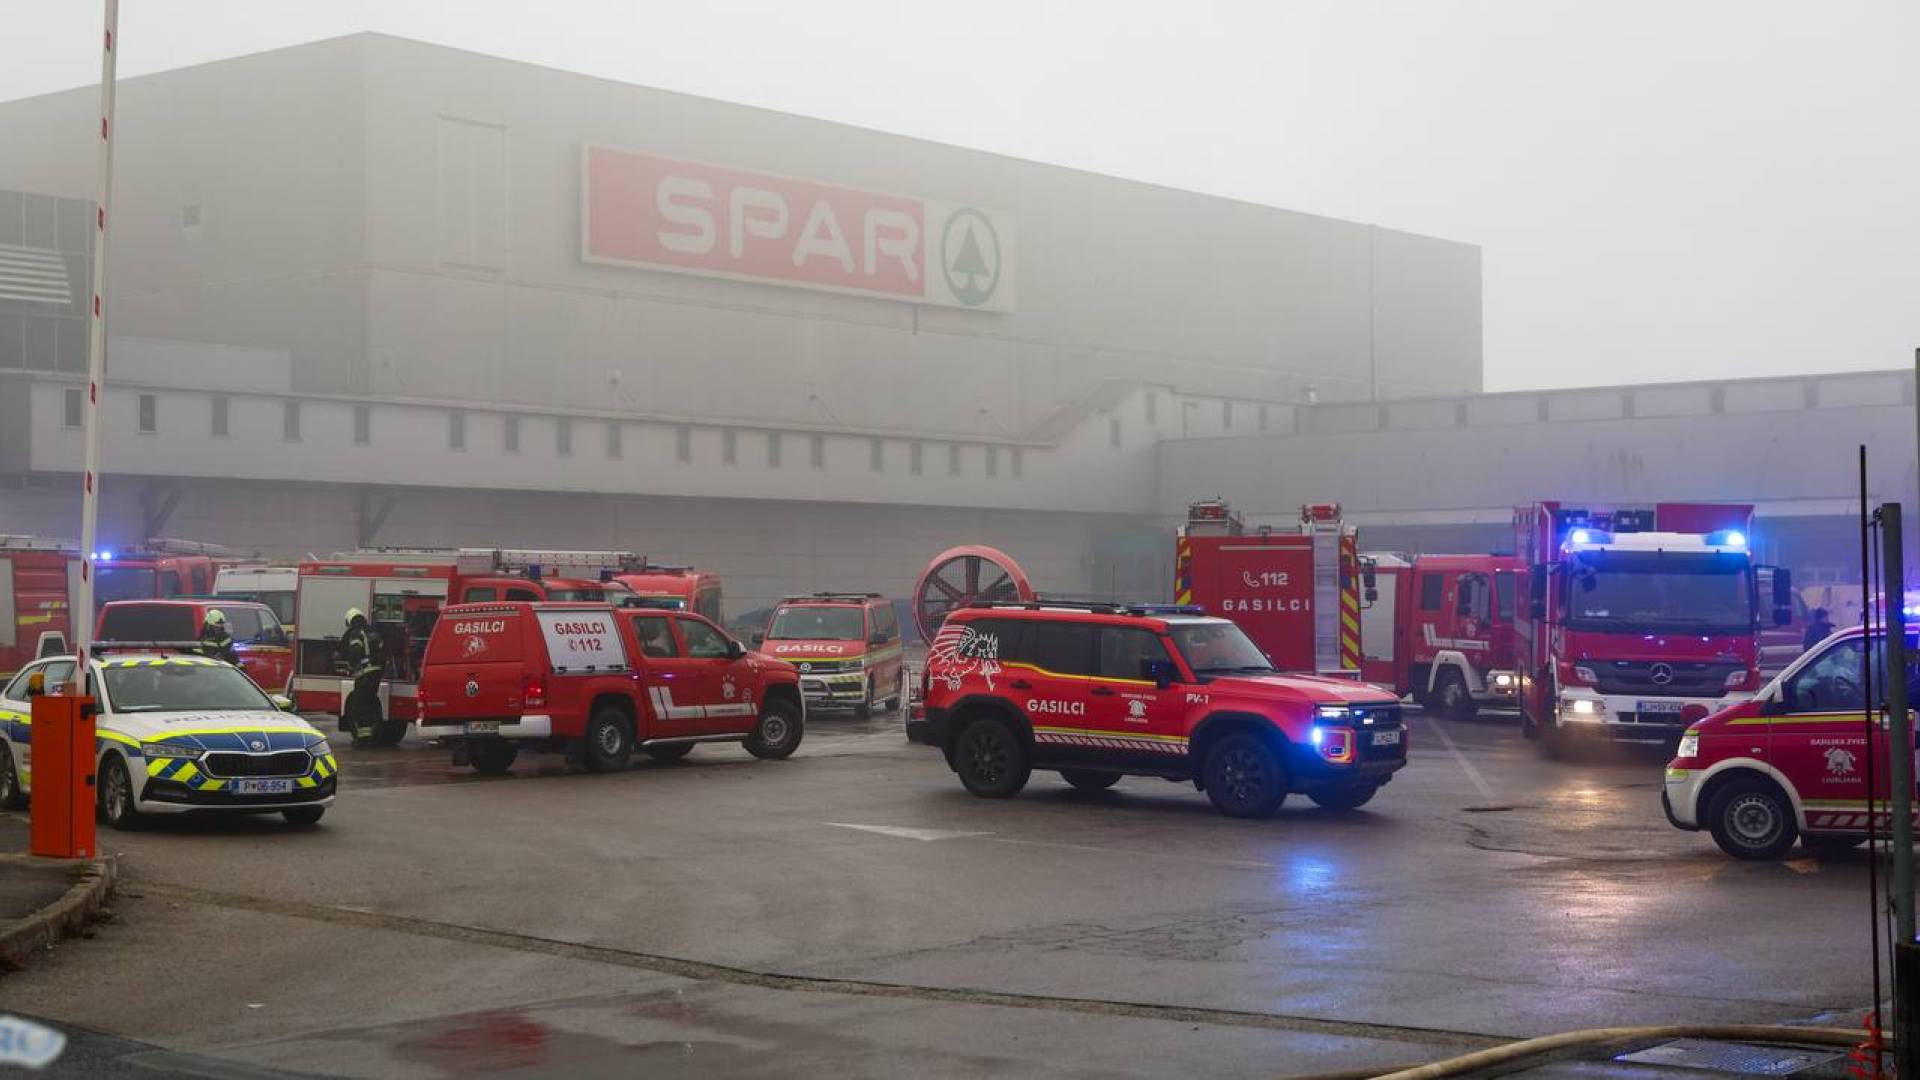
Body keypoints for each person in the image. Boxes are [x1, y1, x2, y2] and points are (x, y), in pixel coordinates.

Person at [339, 607, 384, 745]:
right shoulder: (373, 632)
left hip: (364, 674)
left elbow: (355, 651)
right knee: (370, 703)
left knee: (360, 705)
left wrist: (351, 665)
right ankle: (369, 736)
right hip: (377, 672)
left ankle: (364, 738)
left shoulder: (356, 633)